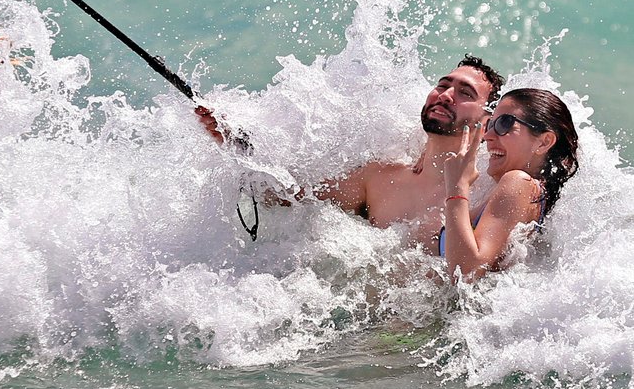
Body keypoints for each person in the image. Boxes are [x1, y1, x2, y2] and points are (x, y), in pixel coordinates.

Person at [198, 56, 504, 250]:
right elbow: (286, 197)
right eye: (442, 85)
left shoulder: (487, 193)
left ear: (487, 119)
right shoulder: (379, 179)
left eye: (465, 93)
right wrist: (234, 142)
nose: (446, 95)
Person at [438, 88, 579, 281]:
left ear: (543, 143)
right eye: (489, 125)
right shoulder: (526, 194)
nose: (488, 136)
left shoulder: (519, 182)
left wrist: (457, 186)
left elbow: (466, 272)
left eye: (504, 123)